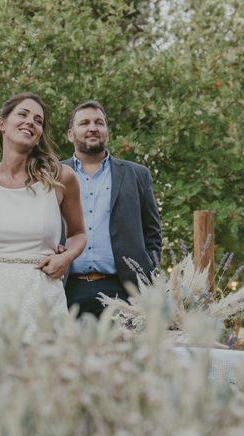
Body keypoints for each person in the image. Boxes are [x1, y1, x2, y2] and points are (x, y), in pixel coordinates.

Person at [0, 93, 86, 327]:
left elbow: (78, 234)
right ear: (2, 123)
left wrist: (66, 257)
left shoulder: (61, 178)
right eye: (22, 114)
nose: (30, 122)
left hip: (43, 295)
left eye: (38, 120)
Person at [62, 100, 162, 317]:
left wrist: (148, 271)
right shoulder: (53, 174)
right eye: (85, 123)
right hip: (65, 287)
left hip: (122, 290)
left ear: (106, 132)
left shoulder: (137, 175)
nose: (93, 128)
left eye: (99, 123)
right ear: (71, 134)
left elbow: (152, 232)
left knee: (121, 352)